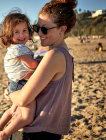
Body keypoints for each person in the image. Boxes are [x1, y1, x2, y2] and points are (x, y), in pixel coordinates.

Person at [5, 0, 76, 139]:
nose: (39, 33)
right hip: (48, 131)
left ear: (62, 28)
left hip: (38, 131)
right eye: (37, 28)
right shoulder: (65, 54)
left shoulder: (54, 56)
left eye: (44, 29)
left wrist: (8, 93)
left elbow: (23, 99)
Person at [0, 10, 39, 140]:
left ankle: (0, 124)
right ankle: (5, 133)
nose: (22, 35)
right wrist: (42, 61)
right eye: (16, 32)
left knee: (14, 111)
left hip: (16, 83)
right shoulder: (19, 48)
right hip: (21, 84)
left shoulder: (14, 48)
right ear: (9, 35)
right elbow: (33, 65)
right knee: (26, 117)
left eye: (24, 30)